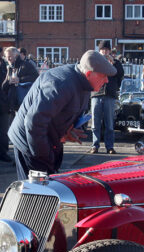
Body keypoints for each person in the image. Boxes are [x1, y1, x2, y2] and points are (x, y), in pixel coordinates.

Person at [9, 50, 116, 179]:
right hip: (29, 142)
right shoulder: (61, 84)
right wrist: (46, 157)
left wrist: (68, 131)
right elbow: (34, 122)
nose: (107, 81)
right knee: (36, 192)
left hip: (44, 139)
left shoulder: (84, 83)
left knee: (49, 188)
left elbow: (68, 112)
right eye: (103, 76)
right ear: (88, 74)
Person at [90, 42, 124, 154]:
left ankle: (110, 147)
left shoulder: (116, 63)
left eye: (107, 49)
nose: (105, 52)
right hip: (96, 94)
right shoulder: (95, 62)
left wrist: (113, 62)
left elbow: (120, 74)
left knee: (109, 123)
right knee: (95, 123)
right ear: (99, 51)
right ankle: (95, 146)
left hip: (109, 94)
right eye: (102, 49)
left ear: (110, 51)